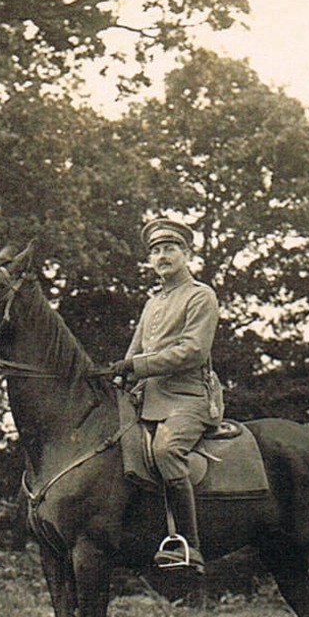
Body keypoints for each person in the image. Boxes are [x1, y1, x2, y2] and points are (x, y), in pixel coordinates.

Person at [102, 217, 224, 573]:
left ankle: (188, 545)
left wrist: (136, 366)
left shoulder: (201, 295)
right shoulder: (152, 304)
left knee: (166, 450)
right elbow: (134, 354)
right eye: (155, 251)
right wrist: (118, 377)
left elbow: (193, 351)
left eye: (170, 248)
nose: (162, 256)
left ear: (186, 254)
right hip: (148, 400)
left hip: (188, 399)